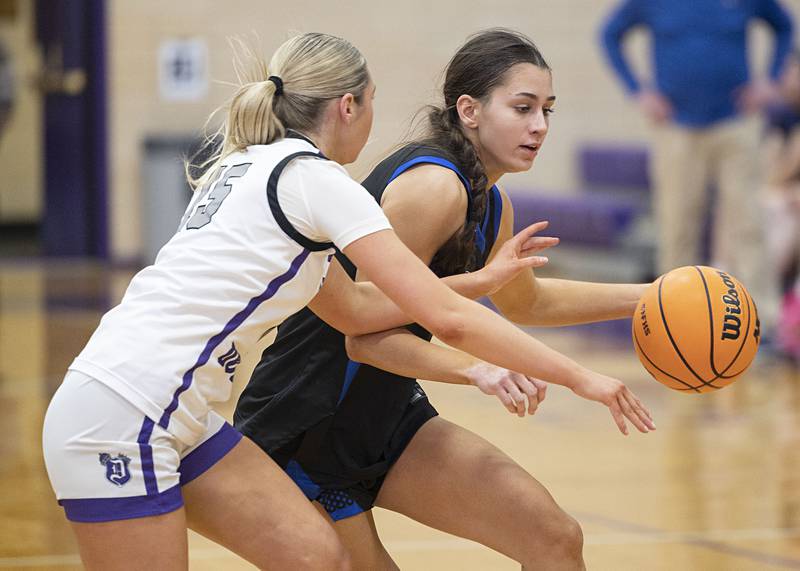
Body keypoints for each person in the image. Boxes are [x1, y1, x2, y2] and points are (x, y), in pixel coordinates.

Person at [41, 32, 647, 570]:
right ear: (348, 106)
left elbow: (355, 308)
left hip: (180, 410)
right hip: (126, 415)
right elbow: (437, 322)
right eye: (372, 101)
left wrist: (480, 283)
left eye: (546, 110)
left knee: (318, 558)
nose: (540, 124)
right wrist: (579, 377)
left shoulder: (254, 165)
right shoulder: (321, 182)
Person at [235, 29, 655, 570]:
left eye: (546, 110)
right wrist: (477, 369)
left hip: (383, 413)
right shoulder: (433, 187)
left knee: (553, 538)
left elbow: (526, 302)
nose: (540, 126)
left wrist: (653, 296)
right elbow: (364, 338)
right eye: (523, 108)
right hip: (309, 421)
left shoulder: (492, 204)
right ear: (469, 110)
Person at [600, 0, 794, 334]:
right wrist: (638, 92)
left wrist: (771, 80)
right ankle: (673, 317)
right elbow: (610, 34)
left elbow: (784, 25)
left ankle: (764, 321)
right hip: (676, 126)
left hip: (736, 122)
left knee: (748, 220)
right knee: (677, 223)